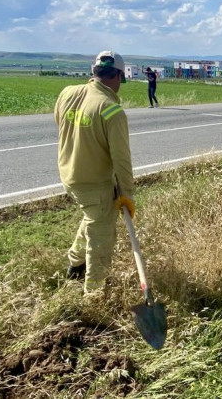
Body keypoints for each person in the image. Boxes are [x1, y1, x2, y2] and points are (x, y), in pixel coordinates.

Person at [54, 50, 136, 294]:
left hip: (69, 175)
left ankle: (74, 263)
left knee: (92, 218)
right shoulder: (111, 110)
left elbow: (59, 122)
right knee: (101, 241)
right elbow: (122, 160)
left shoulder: (68, 93)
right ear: (119, 76)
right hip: (94, 184)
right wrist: (127, 195)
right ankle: (94, 295)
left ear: (94, 72)